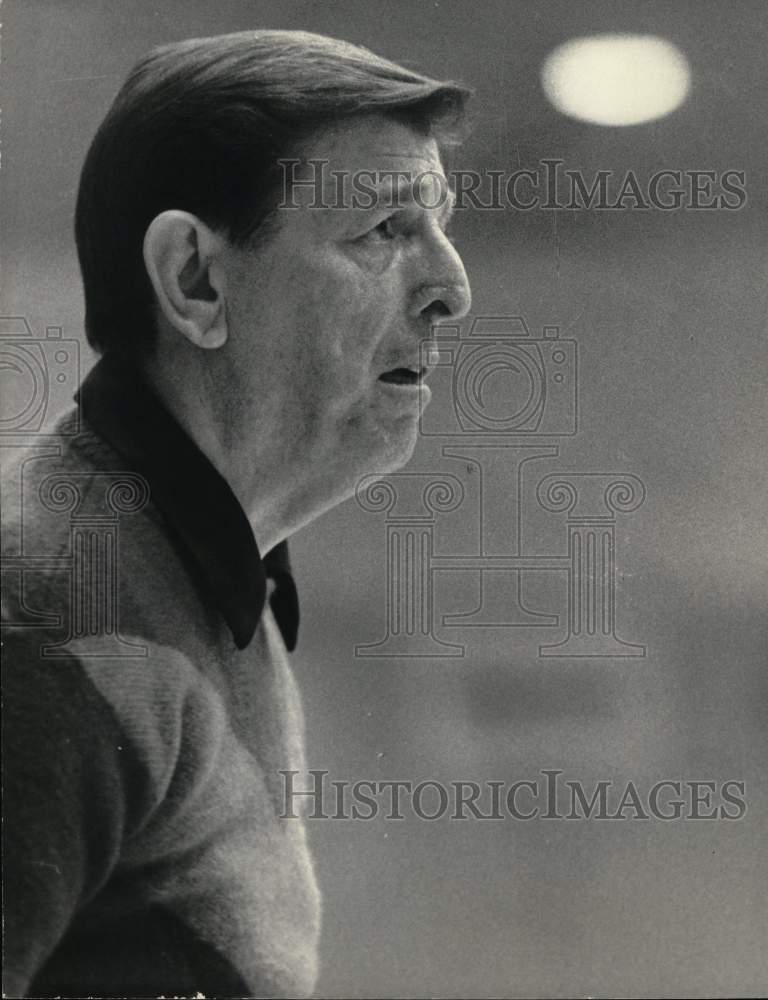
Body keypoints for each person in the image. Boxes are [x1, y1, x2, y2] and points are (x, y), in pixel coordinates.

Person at [1, 29, 471, 999]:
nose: (451, 289)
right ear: (195, 281)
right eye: (384, 229)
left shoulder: (191, 581)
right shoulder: (44, 617)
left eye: (441, 225)